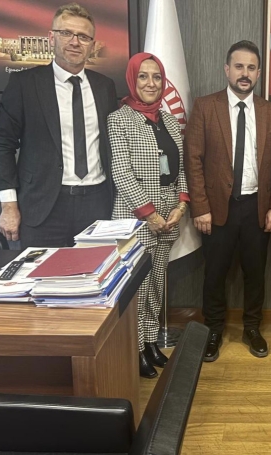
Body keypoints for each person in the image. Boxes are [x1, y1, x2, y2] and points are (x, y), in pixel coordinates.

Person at [185, 40, 271, 362]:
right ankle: (213, 330)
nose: (245, 73)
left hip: (257, 207)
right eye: (239, 66)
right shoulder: (206, 106)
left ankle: (252, 328)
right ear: (227, 69)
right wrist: (201, 207)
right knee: (214, 274)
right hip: (218, 208)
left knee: (255, 274)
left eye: (251, 68)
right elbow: (193, 160)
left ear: (258, 73)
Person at [0, 2, 118, 248]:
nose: (75, 42)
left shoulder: (105, 86)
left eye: (83, 36)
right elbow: (3, 145)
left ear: (92, 45)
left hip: (97, 204)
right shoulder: (25, 84)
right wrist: (8, 206)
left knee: (95, 272)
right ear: (51, 38)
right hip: (43, 207)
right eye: (66, 33)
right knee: (42, 273)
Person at [108, 53, 189, 379]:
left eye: (157, 77)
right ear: (132, 80)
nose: (151, 83)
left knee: (156, 284)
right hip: (135, 220)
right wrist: (150, 215)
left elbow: (180, 168)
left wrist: (181, 206)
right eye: (143, 76)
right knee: (138, 290)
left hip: (169, 217)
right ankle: (137, 348)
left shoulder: (169, 120)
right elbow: (121, 173)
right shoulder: (119, 119)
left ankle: (152, 341)